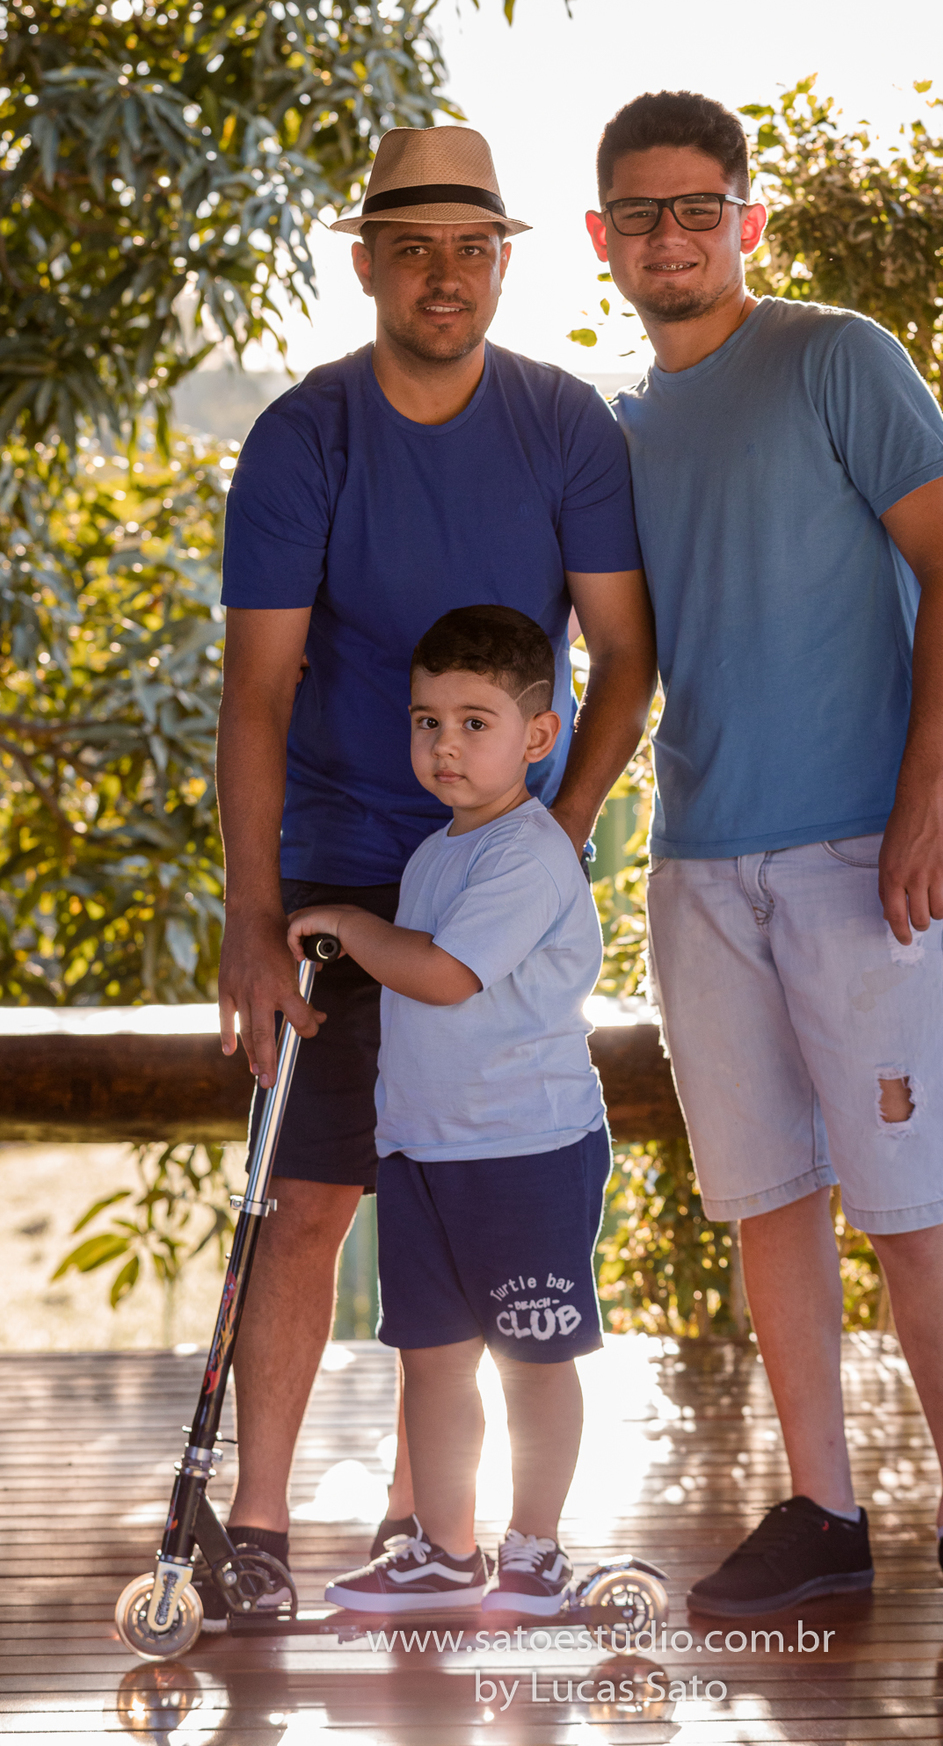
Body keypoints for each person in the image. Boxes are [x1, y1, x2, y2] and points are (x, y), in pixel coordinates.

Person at [584, 90, 943, 1646]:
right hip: (703, 870)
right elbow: (627, 664)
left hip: (864, 856)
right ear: (602, 241)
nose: (669, 235)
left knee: (911, 1201)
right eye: (639, 213)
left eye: (696, 206)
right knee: (771, 1199)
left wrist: (929, 797)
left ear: (745, 220)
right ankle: (825, 1512)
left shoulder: (838, 355)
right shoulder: (619, 431)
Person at [214, 125, 655, 1605]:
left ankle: (432, 1528)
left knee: (460, 1201)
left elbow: (625, 658)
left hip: (493, 876)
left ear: (505, 258)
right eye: (413, 248)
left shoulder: (567, 426)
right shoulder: (305, 436)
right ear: (367, 264)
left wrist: (544, 837)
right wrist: (254, 918)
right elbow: (256, 694)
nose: (444, 275)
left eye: (472, 246)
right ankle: (263, 1534)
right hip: (344, 865)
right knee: (314, 1196)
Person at [288, 606, 609, 1616]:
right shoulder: (439, 852)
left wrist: (345, 923)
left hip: (526, 1151)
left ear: (540, 735)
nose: (445, 744)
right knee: (430, 1360)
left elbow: (443, 975)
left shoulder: (527, 853)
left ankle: (539, 1551)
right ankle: (442, 1548)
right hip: (424, 1152)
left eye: (477, 721)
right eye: (428, 720)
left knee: (533, 1357)